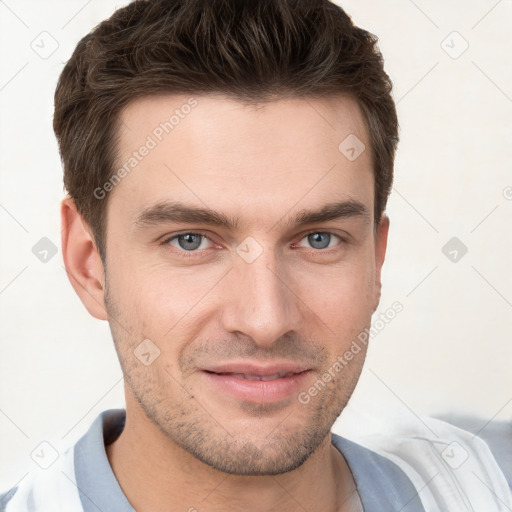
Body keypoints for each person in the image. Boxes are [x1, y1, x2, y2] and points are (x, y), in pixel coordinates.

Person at [1, 0, 510, 510]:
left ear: (376, 260)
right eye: (191, 241)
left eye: (318, 239)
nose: (266, 320)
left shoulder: (485, 485)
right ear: (89, 264)